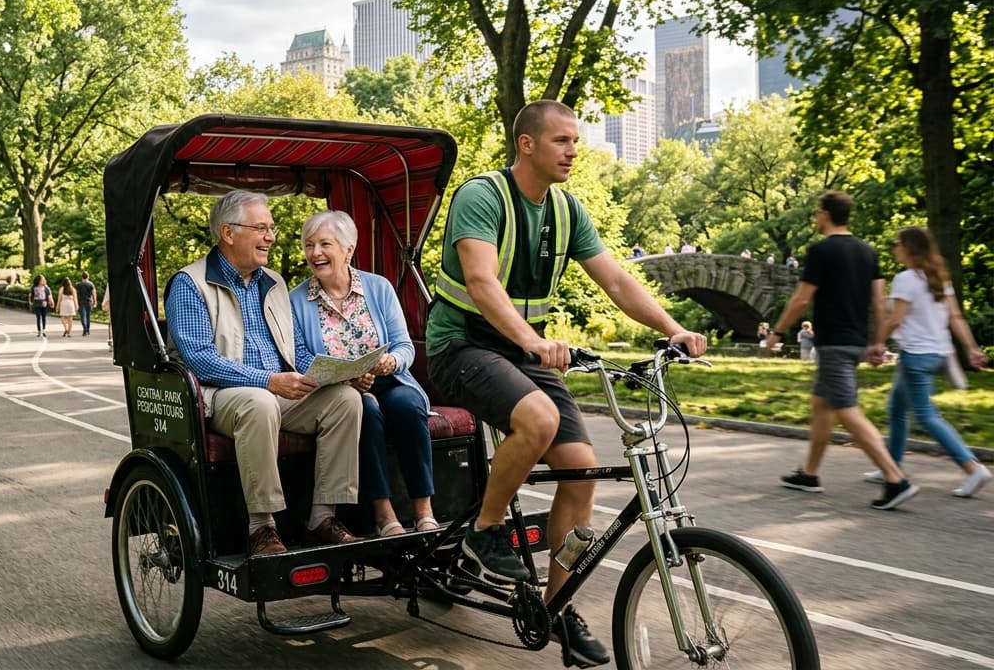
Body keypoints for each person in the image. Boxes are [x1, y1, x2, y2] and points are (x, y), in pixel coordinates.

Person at [425, 100, 706, 669]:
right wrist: (533, 341)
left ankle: (556, 607)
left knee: (580, 470)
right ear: (526, 144)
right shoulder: (483, 196)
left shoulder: (566, 210)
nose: (574, 151)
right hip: (460, 346)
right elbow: (480, 281)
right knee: (539, 419)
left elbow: (617, 281)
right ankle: (485, 529)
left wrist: (673, 329)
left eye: (576, 141)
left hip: (521, 352)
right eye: (562, 140)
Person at [166, 190, 363, 557]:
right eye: (261, 228)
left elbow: (296, 351)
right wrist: (268, 381)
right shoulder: (190, 283)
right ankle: (262, 527)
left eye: (271, 228)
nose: (271, 237)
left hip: (278, 392)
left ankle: (322, 519)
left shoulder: (273, 282)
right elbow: (200, 359)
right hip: (222, 394)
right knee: (260, 402)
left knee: (345, 400)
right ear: (228, 233)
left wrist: (336, 374)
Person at [765, 190, 918, 510]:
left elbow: (801, 299)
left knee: (847, 411)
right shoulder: (867, 252)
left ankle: (895, 479)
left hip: (834, 344)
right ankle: (809, 475)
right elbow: (879, 302)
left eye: (817, 212)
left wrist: (777, 332)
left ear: (825, 214)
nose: (815, 217)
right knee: (821, 405)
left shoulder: (821, 251)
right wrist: (877, 342)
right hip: (856, 341)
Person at [289, 211, 437, 537]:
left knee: (407, 404)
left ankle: (424, 510)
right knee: (364, 409)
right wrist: (346, 379)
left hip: (389, 379)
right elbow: (300, 358)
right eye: (309, 245)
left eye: (325, 244)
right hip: (338, 390)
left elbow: (404, 345)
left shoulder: (378, 287)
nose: (315, 253)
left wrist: (390, 362)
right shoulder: (295, 300)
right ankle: (384, 514)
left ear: (348, 250)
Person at [868, 227, 990, 497]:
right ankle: (892, 466)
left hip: (916, 356)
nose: (894, 247)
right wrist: (971, 347)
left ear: (908, 247)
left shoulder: (905, 279)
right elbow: (955, 318)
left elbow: (896, 319)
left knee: (927, 416)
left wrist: (876, 344)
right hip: (938, 354)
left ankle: (972, 468)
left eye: (897, 243)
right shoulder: (938, 278)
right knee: (897, 408)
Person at [76, 272, 96, 336]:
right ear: (88, 277)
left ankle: (84, 329)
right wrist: (95, 302)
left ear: (82, 277)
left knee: (83, 317)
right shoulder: (91, 284)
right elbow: (94, 294)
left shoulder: (78, 284)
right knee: (88, 316)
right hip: (89, 302)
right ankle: (88, 330)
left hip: (81, 302)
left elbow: (76, 294)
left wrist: (76, 303)